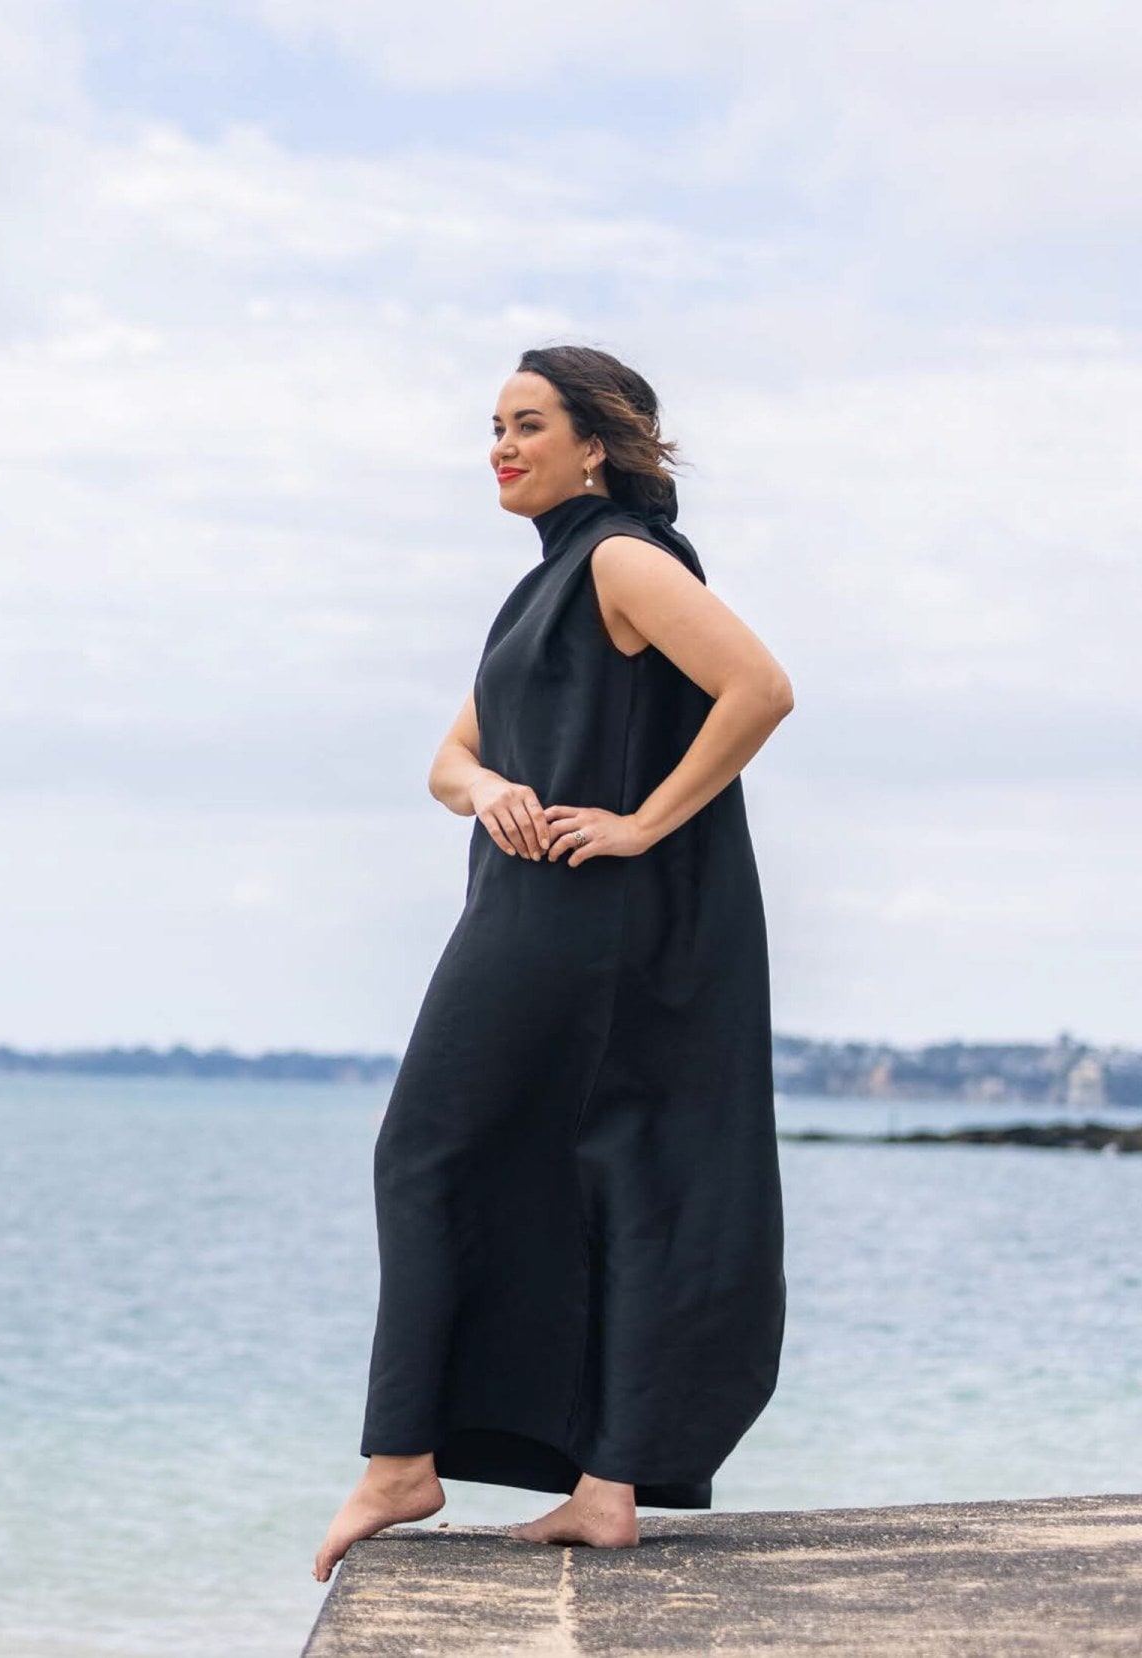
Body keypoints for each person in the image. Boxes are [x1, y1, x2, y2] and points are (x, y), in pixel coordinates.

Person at [314, 345, 793, 1582]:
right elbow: (448, 760)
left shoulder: (624, 559)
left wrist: (638, 820)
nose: (502, 446)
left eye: (528, 424)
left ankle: (401, 1460)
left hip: (579, 920)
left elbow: (760, 688)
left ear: (599, 442)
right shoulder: (536, 594)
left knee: (422, 1150)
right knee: (612, 1175)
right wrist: (492, 788)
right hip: (537, 902)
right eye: (493, 426)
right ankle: (605, 1486)